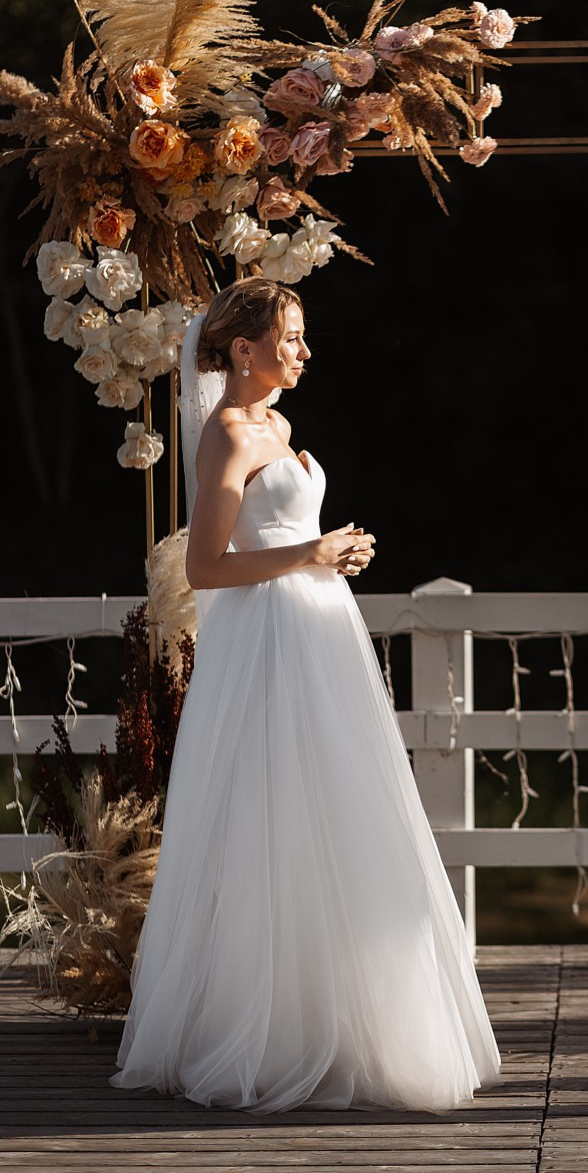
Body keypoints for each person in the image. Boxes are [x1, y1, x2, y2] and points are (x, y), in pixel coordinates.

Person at [113, 278, 500, 1112]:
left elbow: (283, 535)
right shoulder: (224, 434)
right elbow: (205, 567)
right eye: (289, 336)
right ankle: (266, 1027)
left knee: (337, 810)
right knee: (268, 814)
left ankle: (342, 1014)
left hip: (320, 632)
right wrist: (308, 554)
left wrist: (335, 553)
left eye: (301, 334)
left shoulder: (280, 426)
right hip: (264, 642)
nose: (303, 349)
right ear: (243, 350)